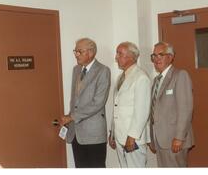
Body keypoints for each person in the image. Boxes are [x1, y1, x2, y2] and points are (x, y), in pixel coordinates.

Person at [60, 38, 111, 168]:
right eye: (75, 51)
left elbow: (98, 103)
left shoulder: (103, 71)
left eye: (79, 51)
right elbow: (76, 101)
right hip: (76, 133)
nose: (76, 54)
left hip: (93, 134)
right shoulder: (76, 70)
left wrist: (72, 117)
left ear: (91, 52)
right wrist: (68, 117)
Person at [148, 42, 194, 167]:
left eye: (160, 55)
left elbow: (185, 109)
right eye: (154, 56)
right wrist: (151, 137)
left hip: (174, 139)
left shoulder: (180, 75)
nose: (156, 59)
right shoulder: (156, 80)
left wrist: (179, 138)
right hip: (160, 140)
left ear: (170, 57)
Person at [108, 41, 151, 168]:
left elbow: (142, 112)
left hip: (133, 138)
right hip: (120, 136)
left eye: (119, 54)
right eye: (117, 53)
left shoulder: (141, 78)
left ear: (131, 56)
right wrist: (113, 133)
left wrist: (132, 137)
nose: (116, 57)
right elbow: (117, 107)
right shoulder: (121, 77)